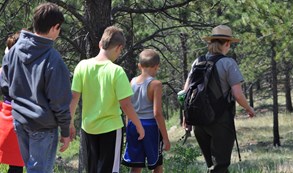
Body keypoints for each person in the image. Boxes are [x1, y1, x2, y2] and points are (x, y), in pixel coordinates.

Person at [0, 3, 72, 173]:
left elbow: (5, 84)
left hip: (19, 120)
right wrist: (65, 131)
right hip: (43, 126)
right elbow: (59, 101)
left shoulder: (14, 50)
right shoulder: (53, 59)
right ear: (55, 27)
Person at [70, 26, 145, 173]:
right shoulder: (117, 71)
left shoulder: (82, 66)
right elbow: (126, 104)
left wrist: (70, 123)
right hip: (111, 129)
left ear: (100, 44)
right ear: (119, 48)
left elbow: (74, 98)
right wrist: (139, 126)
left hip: (88, 128)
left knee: (92, 169)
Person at [183, 25, 255, 173]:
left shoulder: (197, 62)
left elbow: (186, 92)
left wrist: (186, 116)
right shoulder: (228, 63)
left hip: (199, 121)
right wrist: (249, 108)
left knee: (212, 166)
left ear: (211, 42)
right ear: (227, 43)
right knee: (220, 166)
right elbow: (237, 94)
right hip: (220, 121)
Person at [122, 49, 171, 173]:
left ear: (139, 66)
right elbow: (157, 113)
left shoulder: (132, 81)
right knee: (157, 164)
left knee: (136, 164)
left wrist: (128, 128)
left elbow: (128, 107)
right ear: (156, 66)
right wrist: (165, 138)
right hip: (150, 127)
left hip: (134, 125)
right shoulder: (156, 84)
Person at [0, 32, 24, 173]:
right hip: (22, 120)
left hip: (4, 119)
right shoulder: (31, 72)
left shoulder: (2, 71)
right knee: (16, 166)